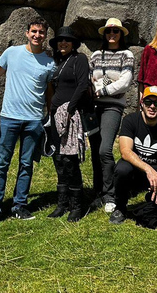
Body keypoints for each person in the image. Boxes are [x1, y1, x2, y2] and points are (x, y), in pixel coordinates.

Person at [0, 17, 54, 228]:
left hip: (34, 120)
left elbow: (49, 91)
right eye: (34, 31)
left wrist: (49, 115)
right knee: (1, 164)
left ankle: (20, 205)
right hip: (9, 118)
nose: (37, 35)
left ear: (45, 35)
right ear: (26, 32)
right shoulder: (12, 53)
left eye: (41, 32)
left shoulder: (49, 63)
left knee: (26, 164)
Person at [109, 86, 157, 227]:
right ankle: (120, 207)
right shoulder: (130, 120)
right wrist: (148, 169)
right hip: (137, 168)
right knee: (121, 169)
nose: (152, 106)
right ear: (141, 103)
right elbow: (125, 151)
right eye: (148, 102)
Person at [89, 17, 135, 213]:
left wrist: (103, 89)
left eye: (115, 31)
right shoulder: (96, 55)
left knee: (105, 149)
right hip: (93, 106)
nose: (112, 35)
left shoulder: (127, 54)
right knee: (94, 151)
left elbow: (125, 82)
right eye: (109, 31)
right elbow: (91, 79)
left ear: (121, 34)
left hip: (112, 106)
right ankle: (98, 191)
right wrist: (103, 85)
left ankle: (111, 194)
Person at [47, 26, 91, 222]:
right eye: (60, 40)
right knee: (58, 159)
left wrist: (70, 109)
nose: (62, 43)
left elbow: (83, 84)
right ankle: (62, 203)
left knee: (70, 160)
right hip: (55, 115)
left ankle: (77, 206)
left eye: (67, 40)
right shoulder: (58, 62)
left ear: (73, 44)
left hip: (70, 115)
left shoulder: (79, 59)